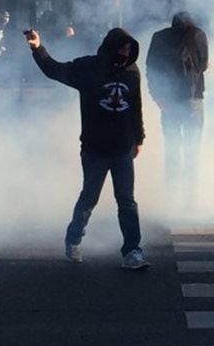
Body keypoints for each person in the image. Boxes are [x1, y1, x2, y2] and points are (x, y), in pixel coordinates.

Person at [27, 26, 150, 270]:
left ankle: (132, 251)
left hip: (123, 147)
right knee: (89, 197)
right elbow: (54, 70)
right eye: (122, 48)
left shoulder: (132, 72)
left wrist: (139, 138)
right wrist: (38, 49)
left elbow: (136, 106)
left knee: (127, 201)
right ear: (111, 47)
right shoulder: (88, 68)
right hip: (95, 147)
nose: (125, 53)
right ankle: (73, 239)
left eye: (129, 49)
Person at [147, 12, 209, 193]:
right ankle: (190, 190)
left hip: (169, 98)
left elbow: (151, 68)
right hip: (193, 96)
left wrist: (157, 96)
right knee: (192, 146)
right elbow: (204, 64)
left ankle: (172, 189)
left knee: (172, 144)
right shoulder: (198, 34)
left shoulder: (159, 37)